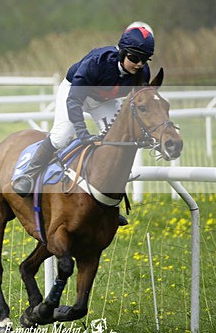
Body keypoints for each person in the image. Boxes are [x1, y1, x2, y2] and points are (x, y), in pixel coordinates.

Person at [10, 21, 156, 224]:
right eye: (134, 58)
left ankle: (109, 202)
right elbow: (74, 100)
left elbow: (142, 104)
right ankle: (28, 174)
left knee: (114, 143)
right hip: (75, 93)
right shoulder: (97, 61)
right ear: (122, 52)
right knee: (62, 137)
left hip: (103, 100)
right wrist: (82, 132)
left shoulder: (142, 73)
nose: (139, 64)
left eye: (145, 59)